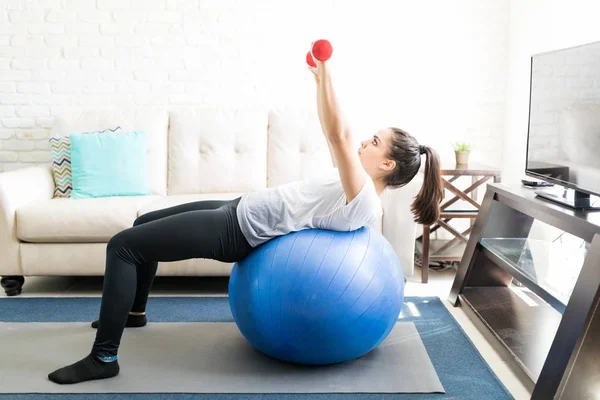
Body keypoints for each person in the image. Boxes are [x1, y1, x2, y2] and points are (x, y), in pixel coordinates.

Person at [47, 56, 444, 385]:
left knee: (122, 246)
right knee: (142, 224)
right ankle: (133, 314)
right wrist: (319, 79)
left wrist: (328, 73)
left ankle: (104, 357)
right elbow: (333, 133)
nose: (363, 142)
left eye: (374, 142)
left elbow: (338, 134)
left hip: (237, 230)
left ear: (387, 164)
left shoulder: (362, 202)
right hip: (239, 207)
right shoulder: (357, 187)